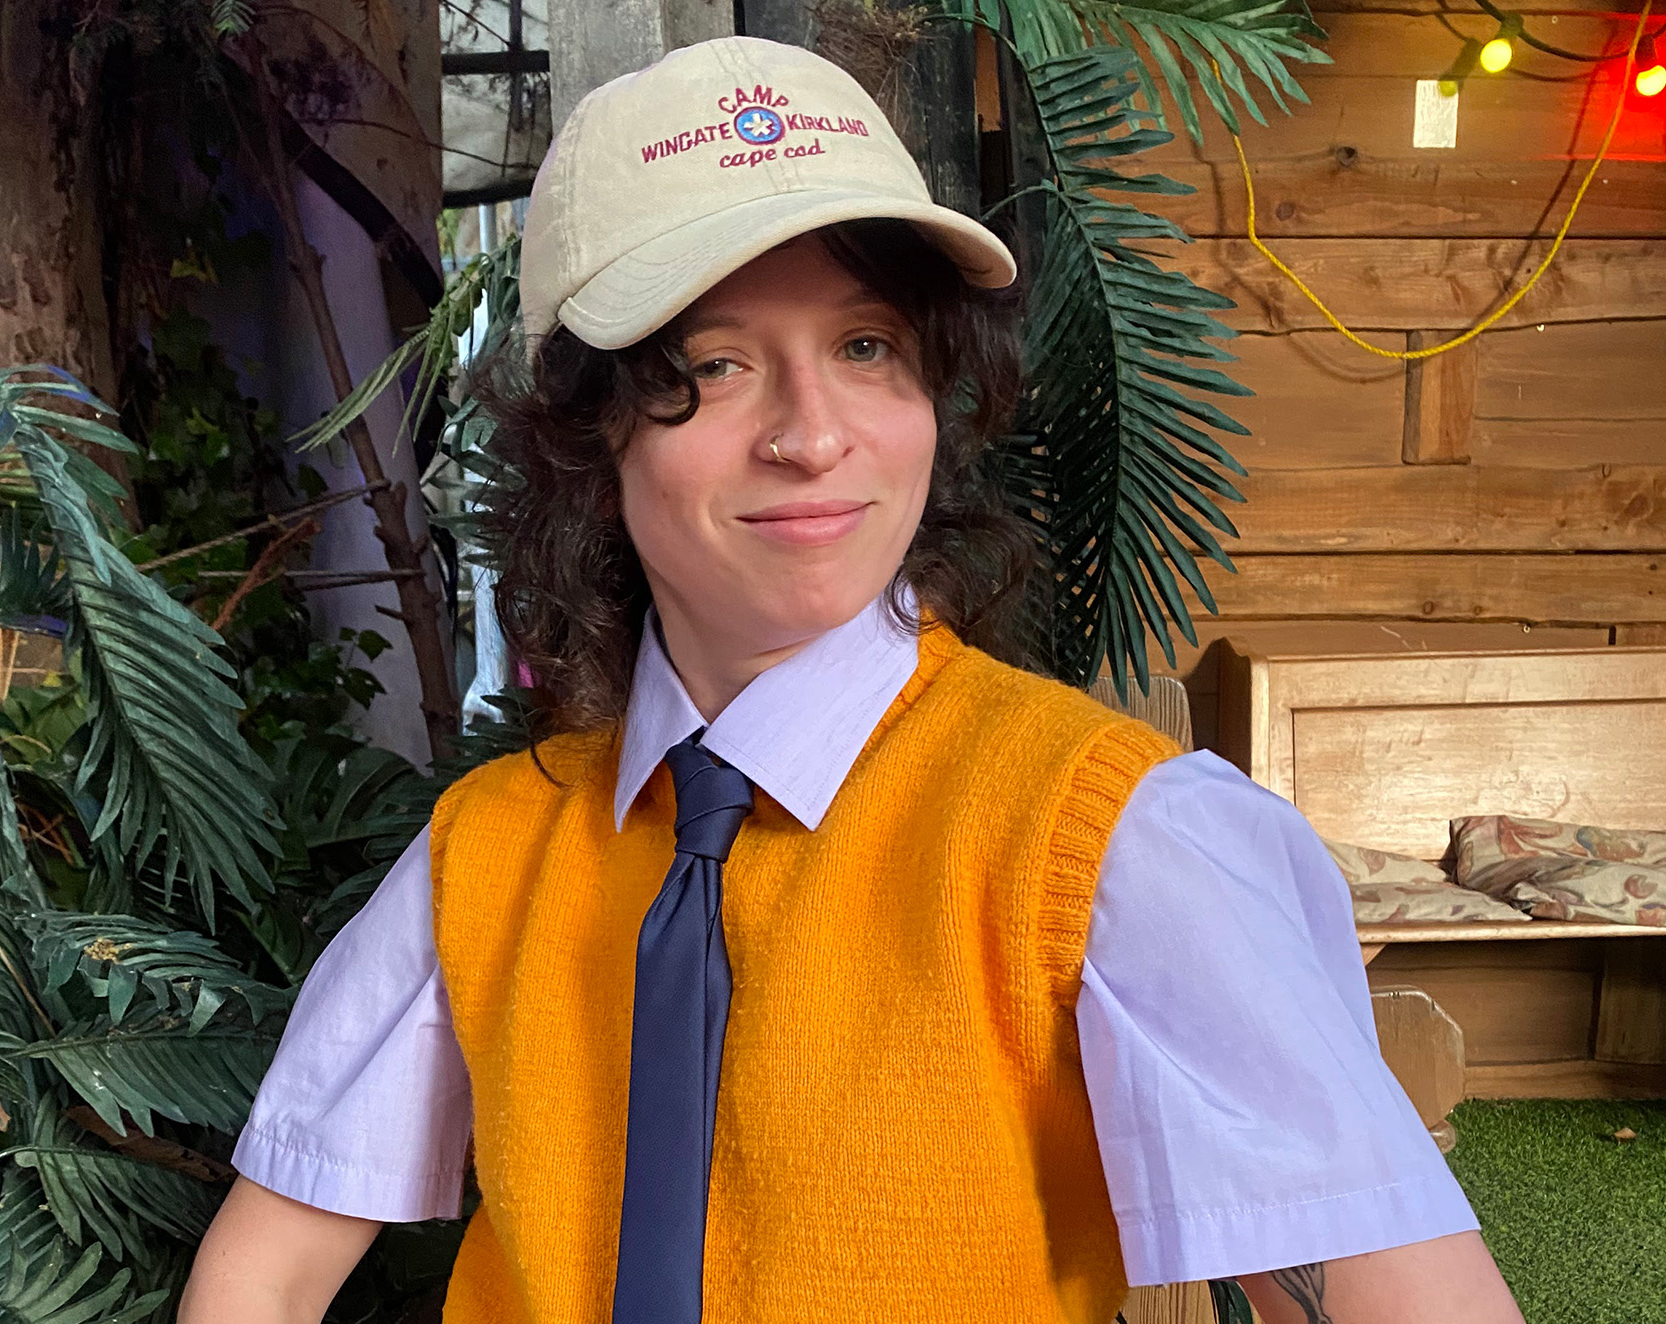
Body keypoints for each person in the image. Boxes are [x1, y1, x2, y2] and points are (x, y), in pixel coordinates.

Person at [181, 35, 1526, 1324]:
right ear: (587, 433)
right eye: (710, 365)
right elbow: (267, 1269)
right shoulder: (486, 854)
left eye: (868, 346)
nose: (814, 435)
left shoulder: (1116, 838)